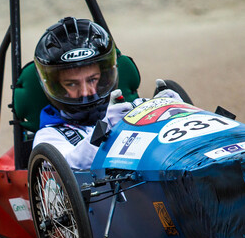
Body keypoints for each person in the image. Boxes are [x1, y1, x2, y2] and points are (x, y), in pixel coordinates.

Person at [33, 17, 181, 169]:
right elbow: (72, 165)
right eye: (71, 84)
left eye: (92, 79)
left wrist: (175, 112)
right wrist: (107, 128)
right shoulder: (48, 137)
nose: (86, 92)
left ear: (104, 77)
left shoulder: (136, 108)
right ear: (56, 86)